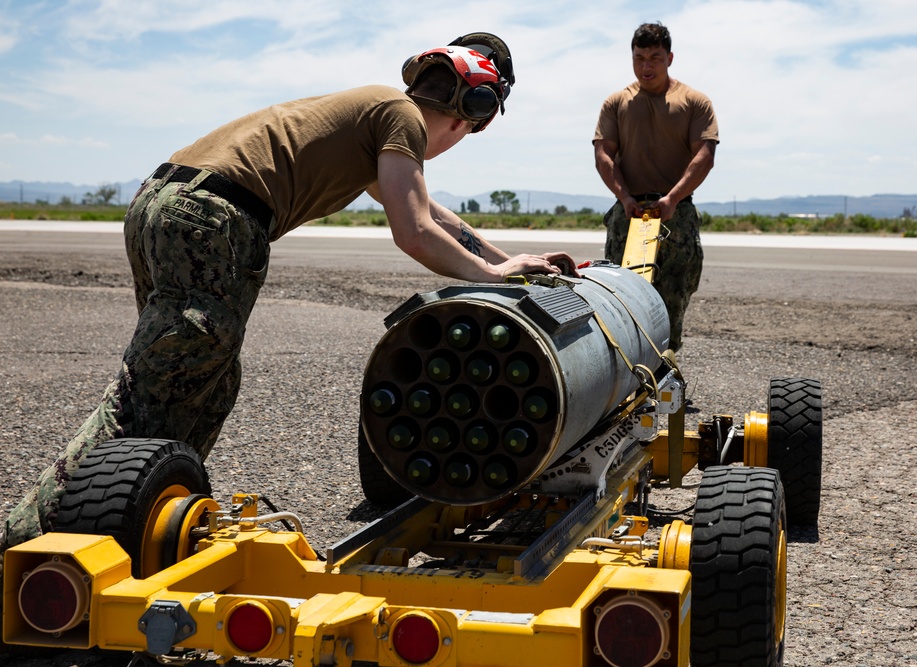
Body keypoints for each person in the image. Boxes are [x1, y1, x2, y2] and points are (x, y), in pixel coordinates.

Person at [0, 33, 576, 560]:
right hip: (218, 218)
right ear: (469, 115)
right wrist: (492, 281)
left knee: (203, 382)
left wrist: (504, 261)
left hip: (164, 203)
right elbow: (414, 230)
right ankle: (28, 540)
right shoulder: (402, 118)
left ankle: (134, 518)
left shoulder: (372, 114)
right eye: (471, 132)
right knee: (144, 395)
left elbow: (429, 214)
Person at [593, 21, 718, 352]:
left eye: (655, 58)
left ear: (670, 58)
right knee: (620, 294)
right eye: (639, 58)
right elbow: (603, 153)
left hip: (676, 214)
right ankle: (625, 372)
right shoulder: (617, 103)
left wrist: (673, 199)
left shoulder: (694, 102)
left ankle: (665, 371)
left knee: (674, 294)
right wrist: (623, 197)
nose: (646, 66)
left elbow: (705, 156)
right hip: (629, 212)